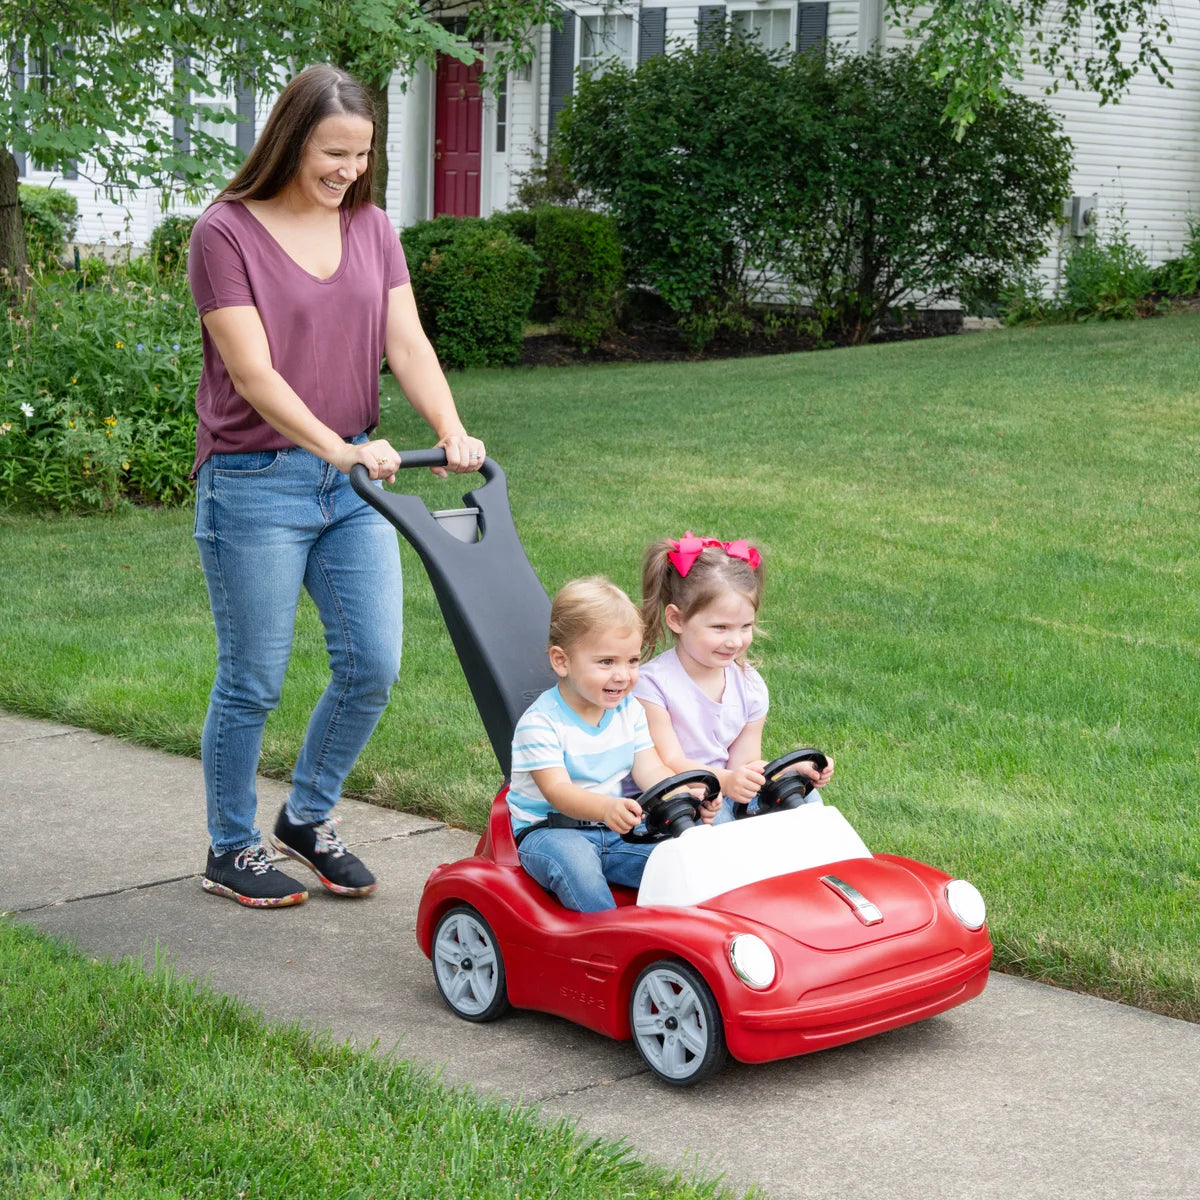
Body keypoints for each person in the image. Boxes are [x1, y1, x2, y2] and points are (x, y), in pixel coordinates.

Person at [188, 64, 486, 908]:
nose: (347, 169)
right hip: (255, 482)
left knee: (374, 665)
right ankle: (230, 846)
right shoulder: (226, 233)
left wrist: (448, 427)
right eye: (333, 151)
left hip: (355, 481)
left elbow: (408, 343)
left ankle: (307, 820)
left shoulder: (373, 228)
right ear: (290, 139)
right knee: (254, 677)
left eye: (361, 154)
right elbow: (253, 374)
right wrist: (337, 450)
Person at [507, 578, 691, 912]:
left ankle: (676, 934)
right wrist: (605, 808)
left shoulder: (629, 710)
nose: (623, 675)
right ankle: (607, 940)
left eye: (632, 661)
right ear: (562, 661)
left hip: (614, 829)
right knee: (577, 866)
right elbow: (558, 793)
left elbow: (650, 768)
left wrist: (680, 796)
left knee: (677, 861)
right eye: (606, 662)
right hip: (550, 831)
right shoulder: (540, 724)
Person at [635, 532, 834, 824]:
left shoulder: (749, 685)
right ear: (677, 619)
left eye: (745, 626)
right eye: (720, 627)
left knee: (805, 799)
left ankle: (821, 865)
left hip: (727, 789)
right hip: (678, 801)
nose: (734, 641)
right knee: (725, 820)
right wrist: (727, 783)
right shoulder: (651, 684)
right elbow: (670, 762)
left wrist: (793, 771)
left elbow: (746, 763)